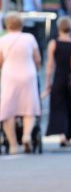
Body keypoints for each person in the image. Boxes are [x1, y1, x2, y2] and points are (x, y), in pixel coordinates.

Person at [0, 12, 41, 154]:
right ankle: (26, 135)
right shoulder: (29, 38)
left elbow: (0, 61)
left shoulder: (3, 40)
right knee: (29, 107)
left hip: (9, 75)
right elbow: (37, 59)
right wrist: (36, 68)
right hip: (28, 74)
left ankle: (12, 145)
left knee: (8, 110)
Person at [44, 16, 71, 147]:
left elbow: (49, 64)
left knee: (59, 106)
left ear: (58, 27)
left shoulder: (53, 43)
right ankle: (68, 135)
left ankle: (61, 134)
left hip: (58, 77)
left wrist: (48, 81)